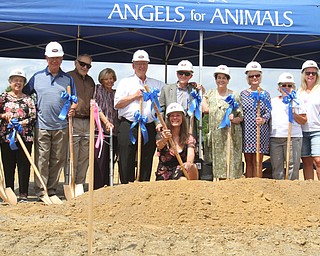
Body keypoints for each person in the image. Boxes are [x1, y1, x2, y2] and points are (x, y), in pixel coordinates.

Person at [23, 41, 77, 198]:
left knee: (58, 159)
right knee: (41, 160)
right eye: (52, 58)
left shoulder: (68, 79)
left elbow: (75, 99)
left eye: (57, 58)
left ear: (62, 59)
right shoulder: (37, 77)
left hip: (61, 126)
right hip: (42, 125)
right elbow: (25, 95)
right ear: (46, 58)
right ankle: (41, 190)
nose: (54, 61)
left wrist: (73, 107)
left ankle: (52, 189)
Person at [114, 49, 165, 184]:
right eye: (138, 64)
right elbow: (117, 104)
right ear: (133, 65)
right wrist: (134, 96)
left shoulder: (157, 84)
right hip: (129, 124)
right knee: (126, 157)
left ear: (148, 65)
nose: (141, 66)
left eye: (144, 63)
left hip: (148, 126)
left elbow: (168, 96)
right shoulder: (125, 82)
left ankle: (143, 186)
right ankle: (126, 185)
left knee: (147, 158)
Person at [0, 69, 36, 201]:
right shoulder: (3, 97)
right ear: (10, 81)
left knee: (23, 165)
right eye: (15, 80)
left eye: (21, 81)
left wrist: (20, 123)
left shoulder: (28, 99)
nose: (18, 83)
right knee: (8, 165)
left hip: (24, 137)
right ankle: (9, 191)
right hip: (7, 137)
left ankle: (23, 194)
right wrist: (4, 115)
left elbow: (33, 116)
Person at [202, 65, 243, 179]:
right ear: (215, 79)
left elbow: (240, 117)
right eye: (219, 77)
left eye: (224, 78)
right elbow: (204, 109)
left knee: (231, 164)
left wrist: (233, 119)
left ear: (228, 80)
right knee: (217, 164)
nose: (221, 80)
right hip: (216, 135)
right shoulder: (210, 94)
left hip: (231, 135)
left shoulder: (234, 95)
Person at [270, 72, 307, 180]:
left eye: (289, 85)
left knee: (293, 167)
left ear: (293, 87)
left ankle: (292, 191)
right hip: (275, 138)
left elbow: (304, 120)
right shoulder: (273, 102)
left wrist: (294, 114)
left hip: (293, 138)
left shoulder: (297, 101)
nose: (286, 88)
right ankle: (279, 192)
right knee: (277, 168)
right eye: (284, 85)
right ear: (279, 87)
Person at [67, 54, 95, 188]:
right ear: (75, 63)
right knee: (72, 154)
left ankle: (79, 184)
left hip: (87, 121)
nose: (85, 67)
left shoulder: (91, 81)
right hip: (73, 120)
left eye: (88, 65)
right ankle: (70, 182)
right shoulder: (68, 77)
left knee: (85, 156)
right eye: (82, 64)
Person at [240, 61, 271, 178]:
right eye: (251, 76)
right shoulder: (243, 94)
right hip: (247, 132)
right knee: (249, 161)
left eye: (257, 75)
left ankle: (258, 184)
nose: (254, 78)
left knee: (258, 161)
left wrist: (263, 119)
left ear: (260, 77)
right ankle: (249, 186)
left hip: (260, 132)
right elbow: (240, 112)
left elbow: (268, 112)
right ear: (248, 78)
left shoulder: (265, 94)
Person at [158, 60, 204, 134]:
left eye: (186, 74)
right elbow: (160, 110)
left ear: (191, 76)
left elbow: (200, 114)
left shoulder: (195, 90)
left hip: (189, 131)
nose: (183, 76)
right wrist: (159, 123)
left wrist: (202, 93)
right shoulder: (166, 89)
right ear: (177, 74)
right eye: (181, 73)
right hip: (170, 130)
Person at [155, 102, 198, 180]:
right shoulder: (162, 134)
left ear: (182, 118)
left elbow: (191, 154)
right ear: (168, 118)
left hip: (182, 170)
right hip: (165, 173)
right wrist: (165, 139)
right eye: (172, 116)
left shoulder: (189, 138)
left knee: (193, 167)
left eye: (178, 115)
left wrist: (189, 163)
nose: (175, 118)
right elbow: (159, 145)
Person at [94, 68, 119, 189]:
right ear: (101, 80)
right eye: (106, 79)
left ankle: (108, 186)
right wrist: (105, 122)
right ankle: (98, 187)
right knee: (100, 161)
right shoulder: (97, 90)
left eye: (111, 78)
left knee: (110, 161)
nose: (109, 81)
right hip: (100, 131)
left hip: (114, 131)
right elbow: (96, 107)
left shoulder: (116, 93)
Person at [297, 60, 320, 180]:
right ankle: (309, 189)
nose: (310, 75)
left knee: (318, 160)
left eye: (313, 73)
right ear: (303, 75)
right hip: (302, 131)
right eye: (308, 73)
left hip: (318, 130)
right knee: (306, 161)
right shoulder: (298, 93)